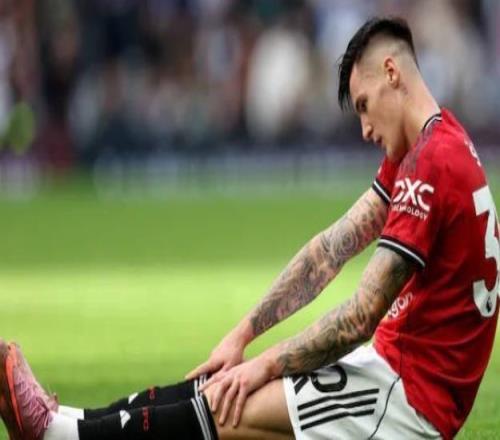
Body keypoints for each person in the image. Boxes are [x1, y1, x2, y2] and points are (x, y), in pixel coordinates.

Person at [1, 16, 499, 440]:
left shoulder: (428, 164)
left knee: (227, 405)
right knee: (216, 387)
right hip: (394, 372)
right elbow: (330, 250)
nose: (365, 129)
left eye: (364, 105)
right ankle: (63, 425)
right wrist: (243, 334)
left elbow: (359, 317)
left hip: (407, 401)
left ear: (392, 72)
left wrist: (265, 363)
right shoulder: (433, 145)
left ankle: (53, 434)